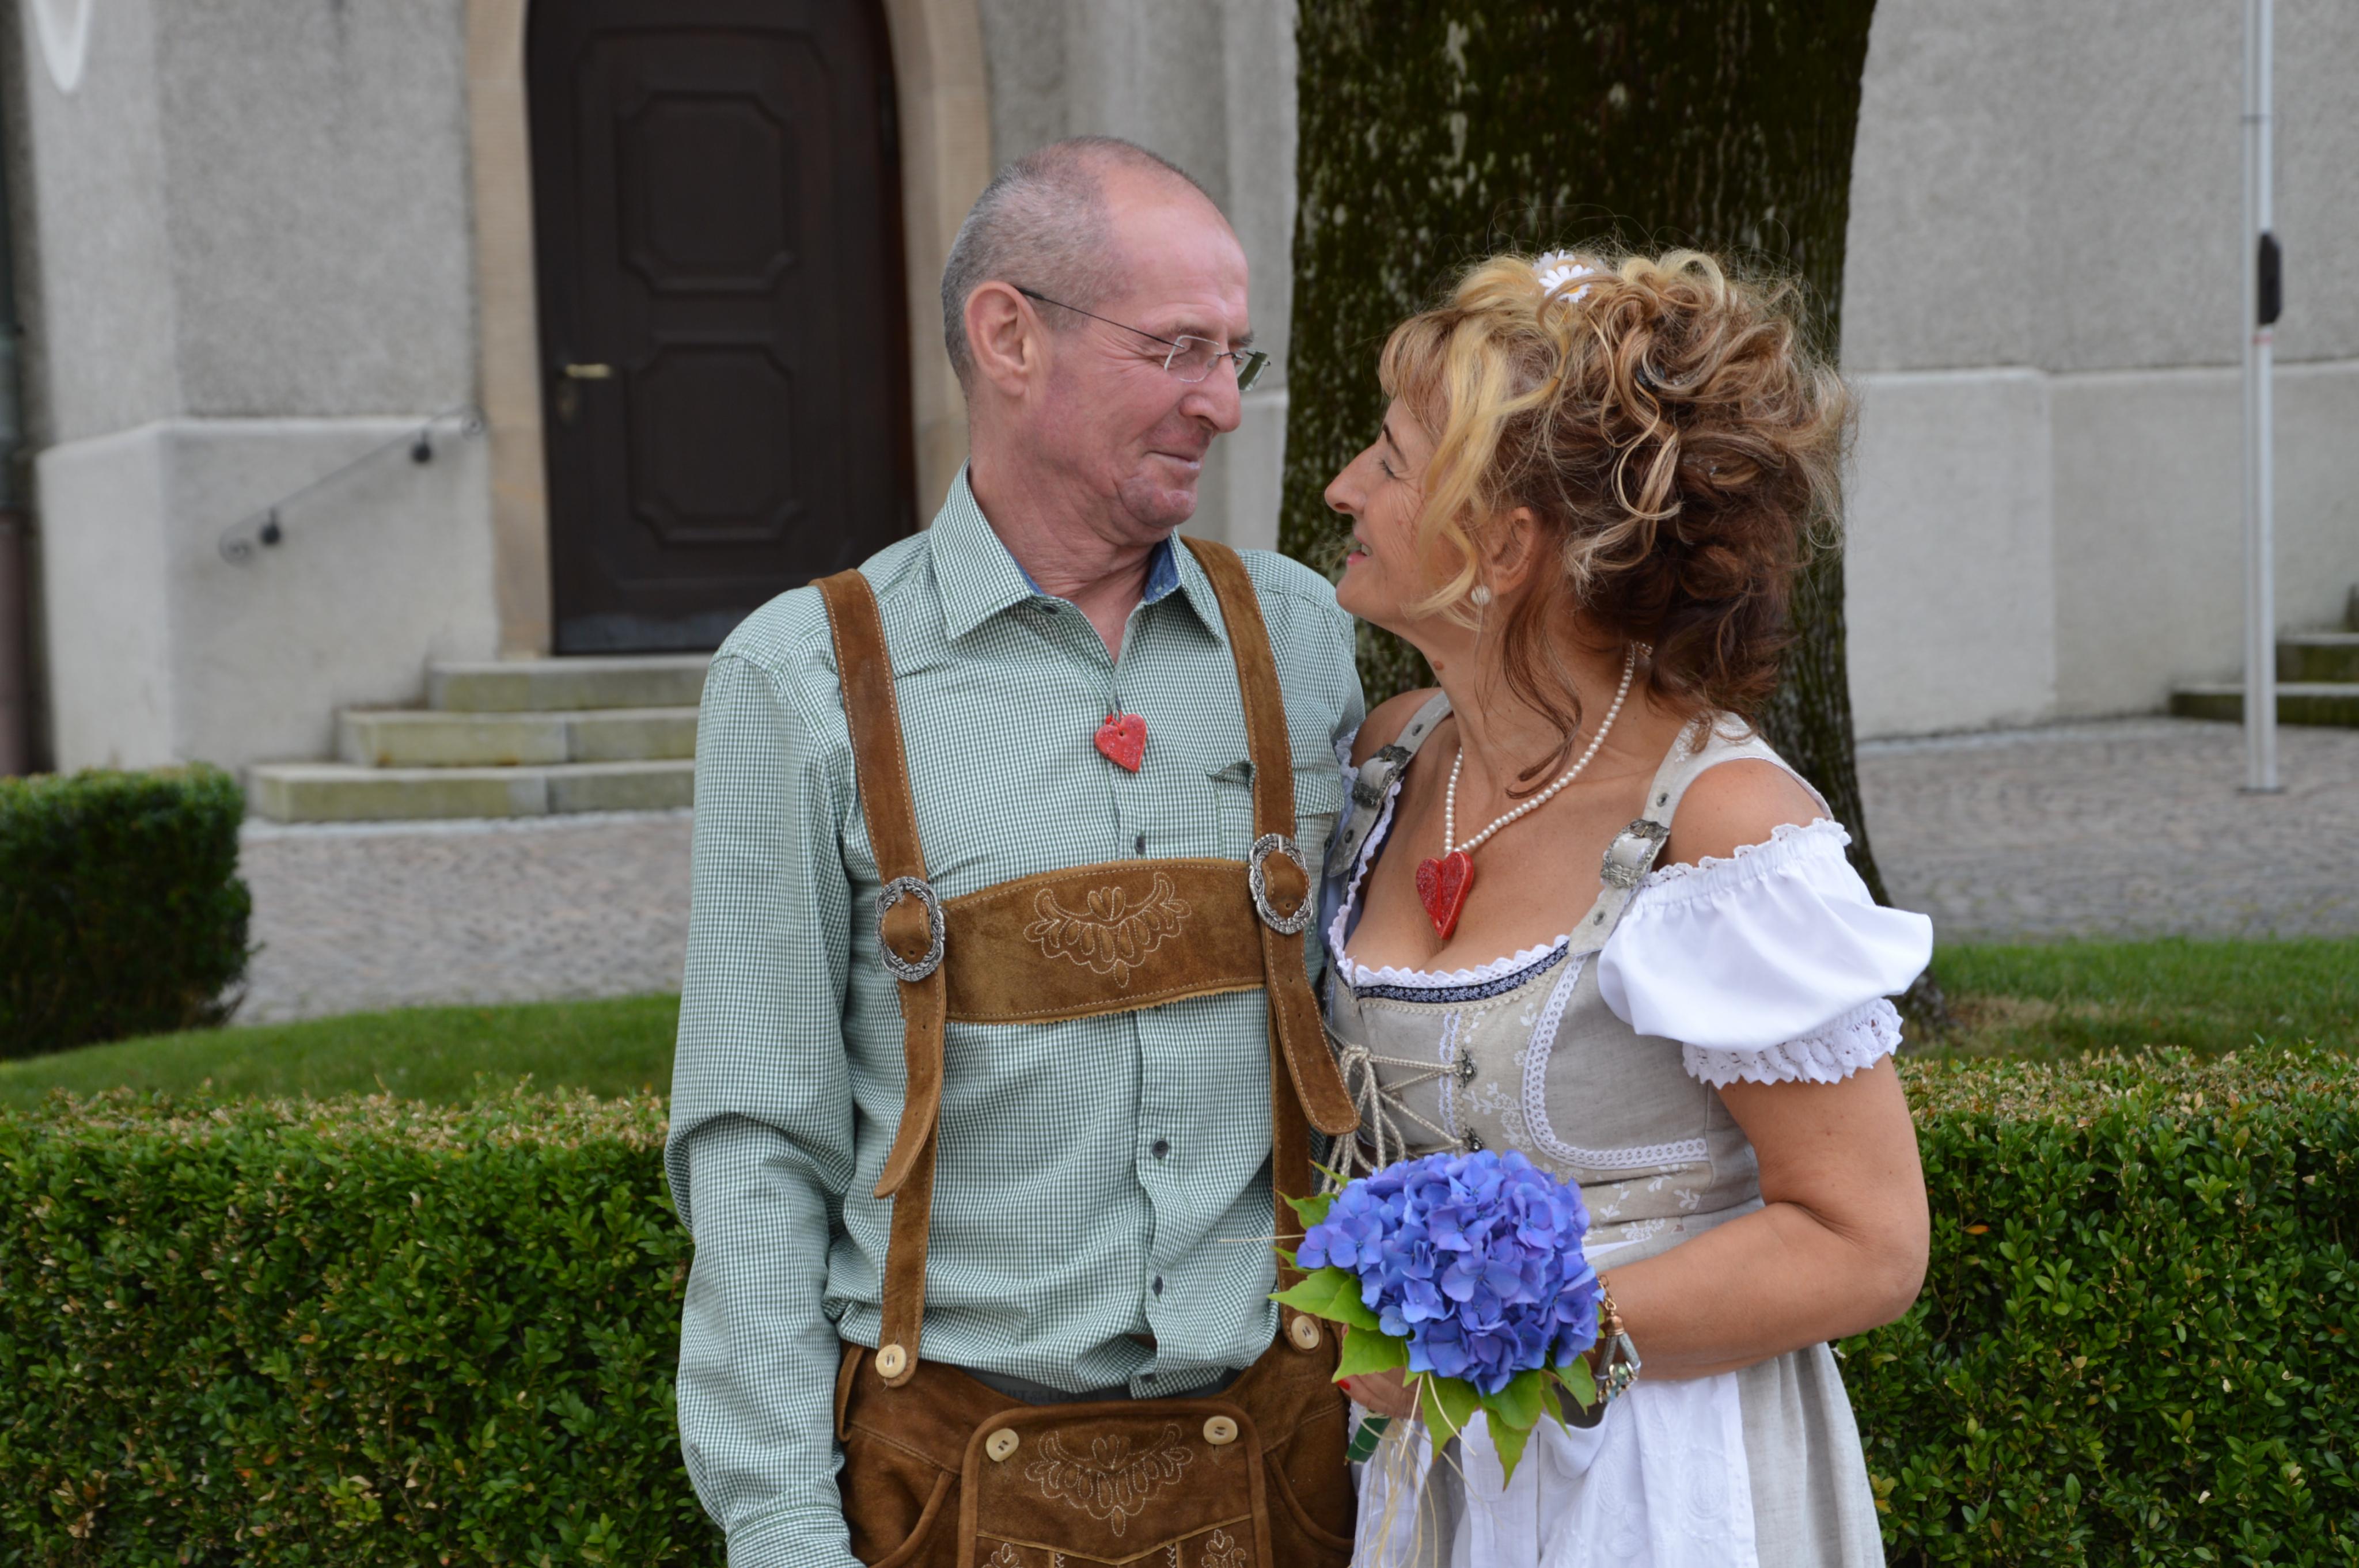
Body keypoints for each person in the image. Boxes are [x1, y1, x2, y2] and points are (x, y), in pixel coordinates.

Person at [666, 136, 1366, 1568]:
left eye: (1232, 355)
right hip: (938, 1491)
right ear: (1009, 337)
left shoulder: (1299, 637)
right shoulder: (800, 677)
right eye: (1176, 349)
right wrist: (781, 1525)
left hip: (1288, 1469)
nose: (1221, 403)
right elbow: (754, 1139)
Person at [1316, 248, 1933, 1567]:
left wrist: (1516, 1338)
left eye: (1389, 460)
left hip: (1658, 1486)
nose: (1343, 488)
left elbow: (1865, 1243)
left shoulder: (1719, 827)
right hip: (1430, 1486)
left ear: (1503, 546)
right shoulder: (1390, 758)